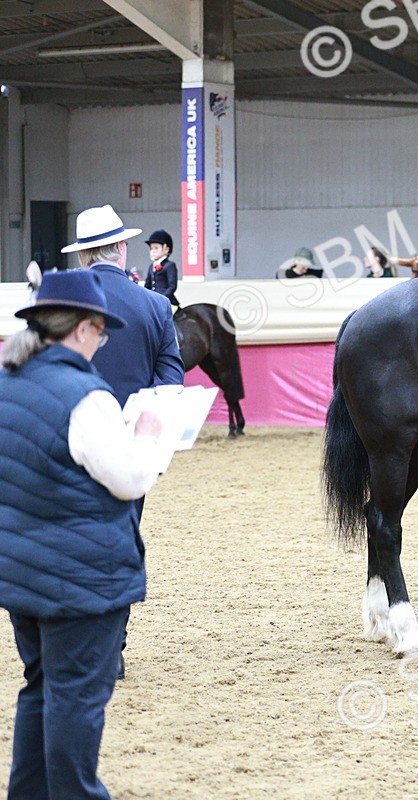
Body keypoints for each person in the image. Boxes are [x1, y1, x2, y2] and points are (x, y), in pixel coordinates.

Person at [0, 269, 165, 800]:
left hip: (22, 570)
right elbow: (129, 480)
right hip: (80, 579)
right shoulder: (86, 397)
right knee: (76, 700)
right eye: (101, 332)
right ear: (81, 329)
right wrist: (148, 438)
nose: (102, 342)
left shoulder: (7, 382)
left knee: (42, 689)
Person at [64, 204, 184, 680]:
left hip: (68, 442)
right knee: (120, 541)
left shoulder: (64, 306)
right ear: (120, 248)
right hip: (129, 447)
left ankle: (75, 643)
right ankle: (113, 647)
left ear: (83, 258)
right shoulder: (154, 305)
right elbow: (170, 382)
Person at [143, 229, 180, 307]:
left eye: (156, 248)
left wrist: (161, 298)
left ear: (166, 249)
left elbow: (172, 287)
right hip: (153, 301)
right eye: (151, 248)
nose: (153, 251)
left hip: (167, 301)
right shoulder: (151, 266)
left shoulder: (170, 265)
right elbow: (147, 285)